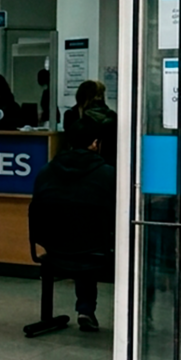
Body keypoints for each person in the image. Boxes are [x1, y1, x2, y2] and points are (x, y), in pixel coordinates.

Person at [29, 116, 116, 332]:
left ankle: (85, 309)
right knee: (89, 241)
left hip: (55, 246)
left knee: (79, 236)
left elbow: (36, 209)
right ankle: (86, 310)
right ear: (95, 143)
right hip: (96, 249)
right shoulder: (108, 175)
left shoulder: (46, 171)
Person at [62, 80, 118, 167]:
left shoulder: (72, 114)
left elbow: (69, 142)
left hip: (78, 162)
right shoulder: (111, 115)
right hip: (106, 163)